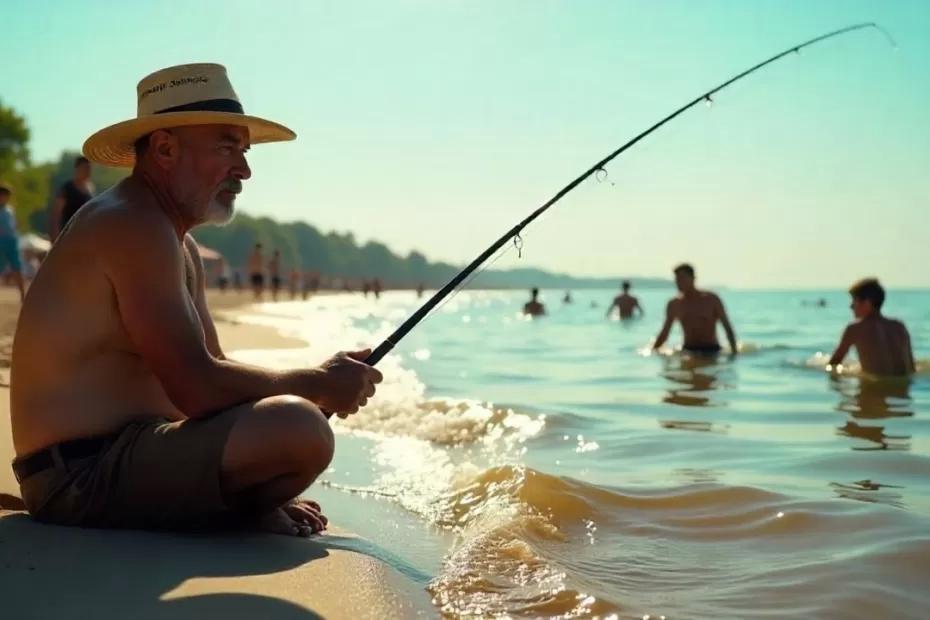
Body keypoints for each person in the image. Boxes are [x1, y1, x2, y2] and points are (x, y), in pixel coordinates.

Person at [10, 63, 381, 537]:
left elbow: (213, 368)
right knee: (300, 426)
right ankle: (235, 508)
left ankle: (235, 505)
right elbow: (197, 387)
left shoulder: (175, 241)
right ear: (164, 148)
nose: (244, 170)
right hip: (79, 477)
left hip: (124, 457)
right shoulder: (130, 223)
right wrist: (317, 384)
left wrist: (314, 384)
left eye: (243, 151)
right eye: (227, 146)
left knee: (292, 423)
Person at [828, 278, 914, 376]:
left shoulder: (855, 329)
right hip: (902, 390)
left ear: (867, 303)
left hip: (875, 389)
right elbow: (911, 368)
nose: (851, 306)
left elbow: (833, 364)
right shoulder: (899, 326)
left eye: (854, 301)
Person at [653, 263, 737, 355]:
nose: (678, 283)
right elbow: (665, 332)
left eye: (682, 278)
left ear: (693, 278)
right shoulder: (674, 304)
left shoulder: (711, 299)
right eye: (677, 279)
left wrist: (734, 353)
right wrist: (653, 351)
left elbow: (727, 327)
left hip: (712, 350)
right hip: (687, 350)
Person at [53, 156, 95, 240]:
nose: (88, 171)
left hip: (85, 235)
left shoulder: (90, 189)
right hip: (68, 235)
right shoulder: (67, 188)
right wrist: (55, 237)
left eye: (89, 168)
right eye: (85, 168)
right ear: (77, 169)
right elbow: (56, 214)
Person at [0, 184, 26, 301]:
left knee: (17, 267)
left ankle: (23, 295)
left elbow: (13, 225)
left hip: (11, 241)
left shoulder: (9, 210)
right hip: (1, 241)